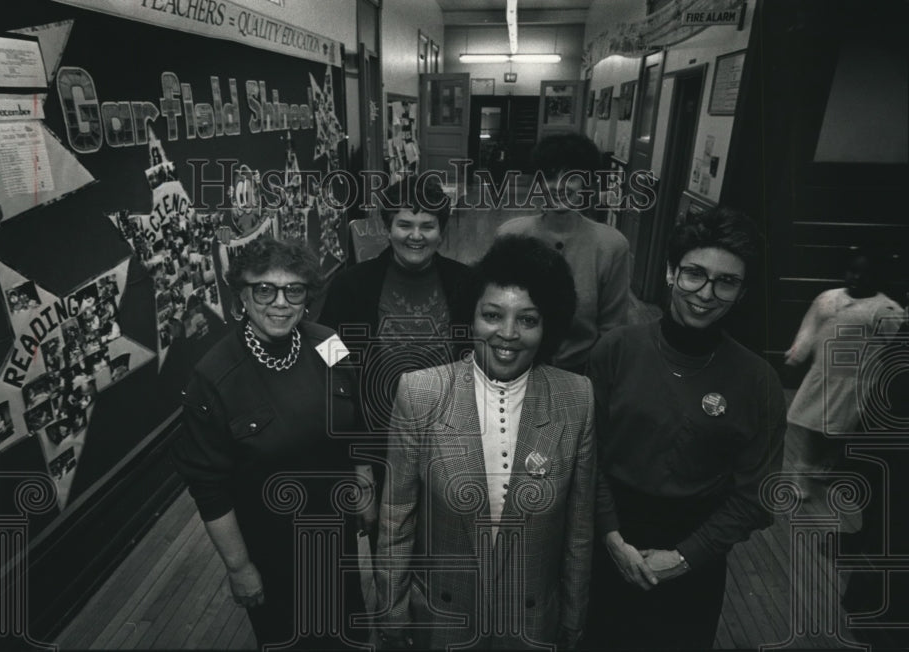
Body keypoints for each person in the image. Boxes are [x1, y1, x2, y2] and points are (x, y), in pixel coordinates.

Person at [375, 235, 595, 650]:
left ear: (549, 325)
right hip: (443, 620)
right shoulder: (421, 393)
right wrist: (392, 609)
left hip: (530, 625)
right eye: (492, 315)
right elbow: (395, 518)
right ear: (470, 317)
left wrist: (573, 616)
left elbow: (579, 530)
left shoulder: (577, 397)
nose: (507, 334)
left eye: (528, 320)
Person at [584, 207, 787, 649]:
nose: (706, 293)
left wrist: (682, 558)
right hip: (608, 533)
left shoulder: (758, 382)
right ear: (671, 272)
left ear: (742, 292)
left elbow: (758, 497)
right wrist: (612, 537)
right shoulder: (616, 350)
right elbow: (587, 457)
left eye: (726, 282)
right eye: (695, 273)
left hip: (697, 550)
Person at [172, 238, 368, 649]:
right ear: (242, 295)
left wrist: (365, 483)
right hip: (272, 547)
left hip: (336, 531)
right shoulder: (213, 378)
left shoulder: (329, 341)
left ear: (306, 296)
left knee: (348, 628)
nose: (280, 302)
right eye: (265, 289)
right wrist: (239, 567)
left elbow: (356, 417)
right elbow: (208, 487)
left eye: (293, 289)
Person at [317, 174, 470, 549]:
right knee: (390, 548)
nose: (415, 235)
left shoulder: (467, 283)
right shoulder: (352, 286)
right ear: (388, 228)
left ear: (441, 231)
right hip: (380, 443)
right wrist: (360, 465)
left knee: (449, 548)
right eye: (404, 224)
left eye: (427, 225)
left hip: (452, 443)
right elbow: (330, 361)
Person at [497, 132, 630, 374]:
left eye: (571, 176)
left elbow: (613, 329)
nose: (559, 186)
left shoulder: (611, 245)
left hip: (583, 373)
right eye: (549, 176)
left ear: (586, 182)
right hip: (516, 369)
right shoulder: (511, 235)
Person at [784, 249, 906, 499]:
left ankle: (827, 464)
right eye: (852, 271)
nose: (857, 278)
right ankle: (802, 473)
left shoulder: (885, 309)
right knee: (813, 428)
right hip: (823, 377)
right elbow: (810, 327)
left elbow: (894, 343)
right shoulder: (827, 298)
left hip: (856, 383)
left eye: (866, 274)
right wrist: (799, 351)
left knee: (841, 430)